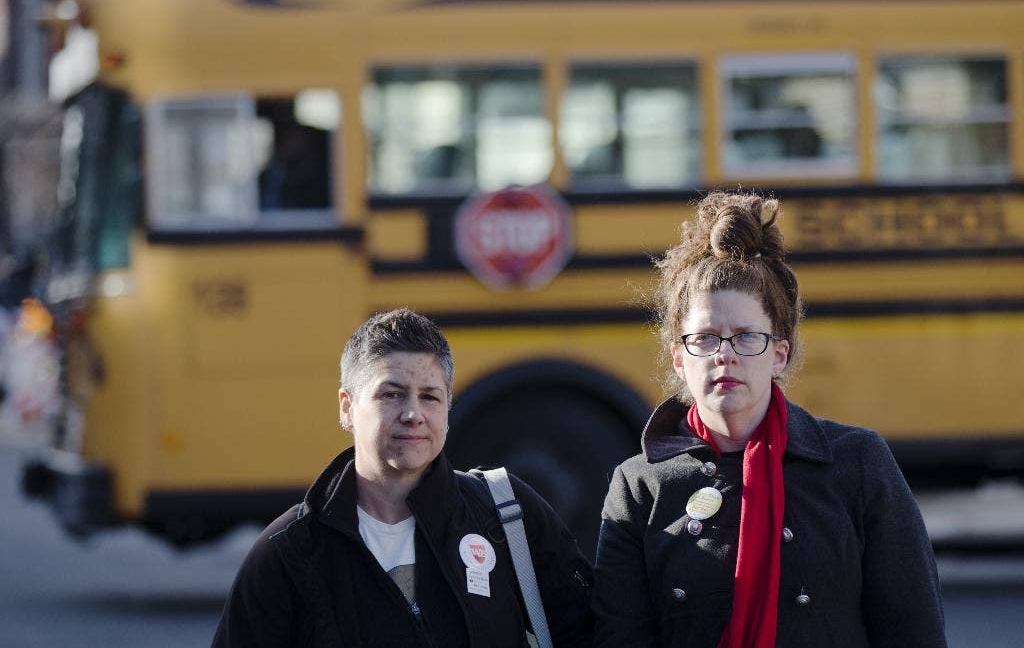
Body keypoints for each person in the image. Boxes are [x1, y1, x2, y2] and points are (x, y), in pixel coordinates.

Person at [592, 192, 945, 647]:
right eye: (705, 338)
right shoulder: (639, 486)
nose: (725, 355)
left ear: (780, 353)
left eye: (746, 337)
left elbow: (914, 631)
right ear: (679, 358)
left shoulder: (856, 464)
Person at [213, 308, 593, 647]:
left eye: (430, 397)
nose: (413, 414)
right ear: (347, 407)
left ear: (447, 410)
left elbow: (592, 632)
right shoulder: (289, 550)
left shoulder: (507, 514)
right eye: (392, 395)